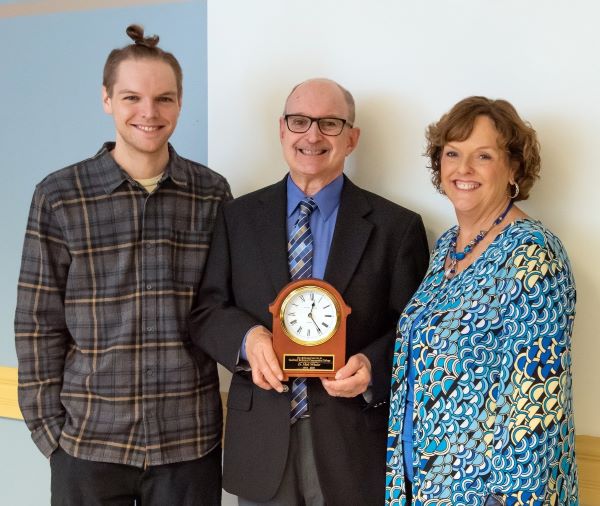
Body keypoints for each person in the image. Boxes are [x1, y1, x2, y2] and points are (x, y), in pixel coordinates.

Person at [15, 25, 231, 505]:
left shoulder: (212, 193)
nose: (149, 113)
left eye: (164, 99)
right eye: (132, 96)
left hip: (188, 444)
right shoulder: (59, 196)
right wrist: (51, 434)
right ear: (107, 99)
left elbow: (223, 306)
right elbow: (36, 323)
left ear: (180, 103)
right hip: (89, 443)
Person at [188, 78, 429, 505]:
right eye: (300, 121)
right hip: (261, 443)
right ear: (282, 130)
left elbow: (415, 331)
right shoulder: (236, 218)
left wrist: (372, 368)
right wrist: (248, 339)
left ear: (352, 138)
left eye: (330, 124)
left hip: (352, 446)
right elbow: (207, 311)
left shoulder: (398, 228)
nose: (312, 135)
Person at [386, 96, 578, 506]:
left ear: (513, 168)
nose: (463, 169)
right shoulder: (445, 250)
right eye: (452, 153)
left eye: (483, 155)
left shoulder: (533, 254)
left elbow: (539, 401)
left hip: (489, 494)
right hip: (426, 485)